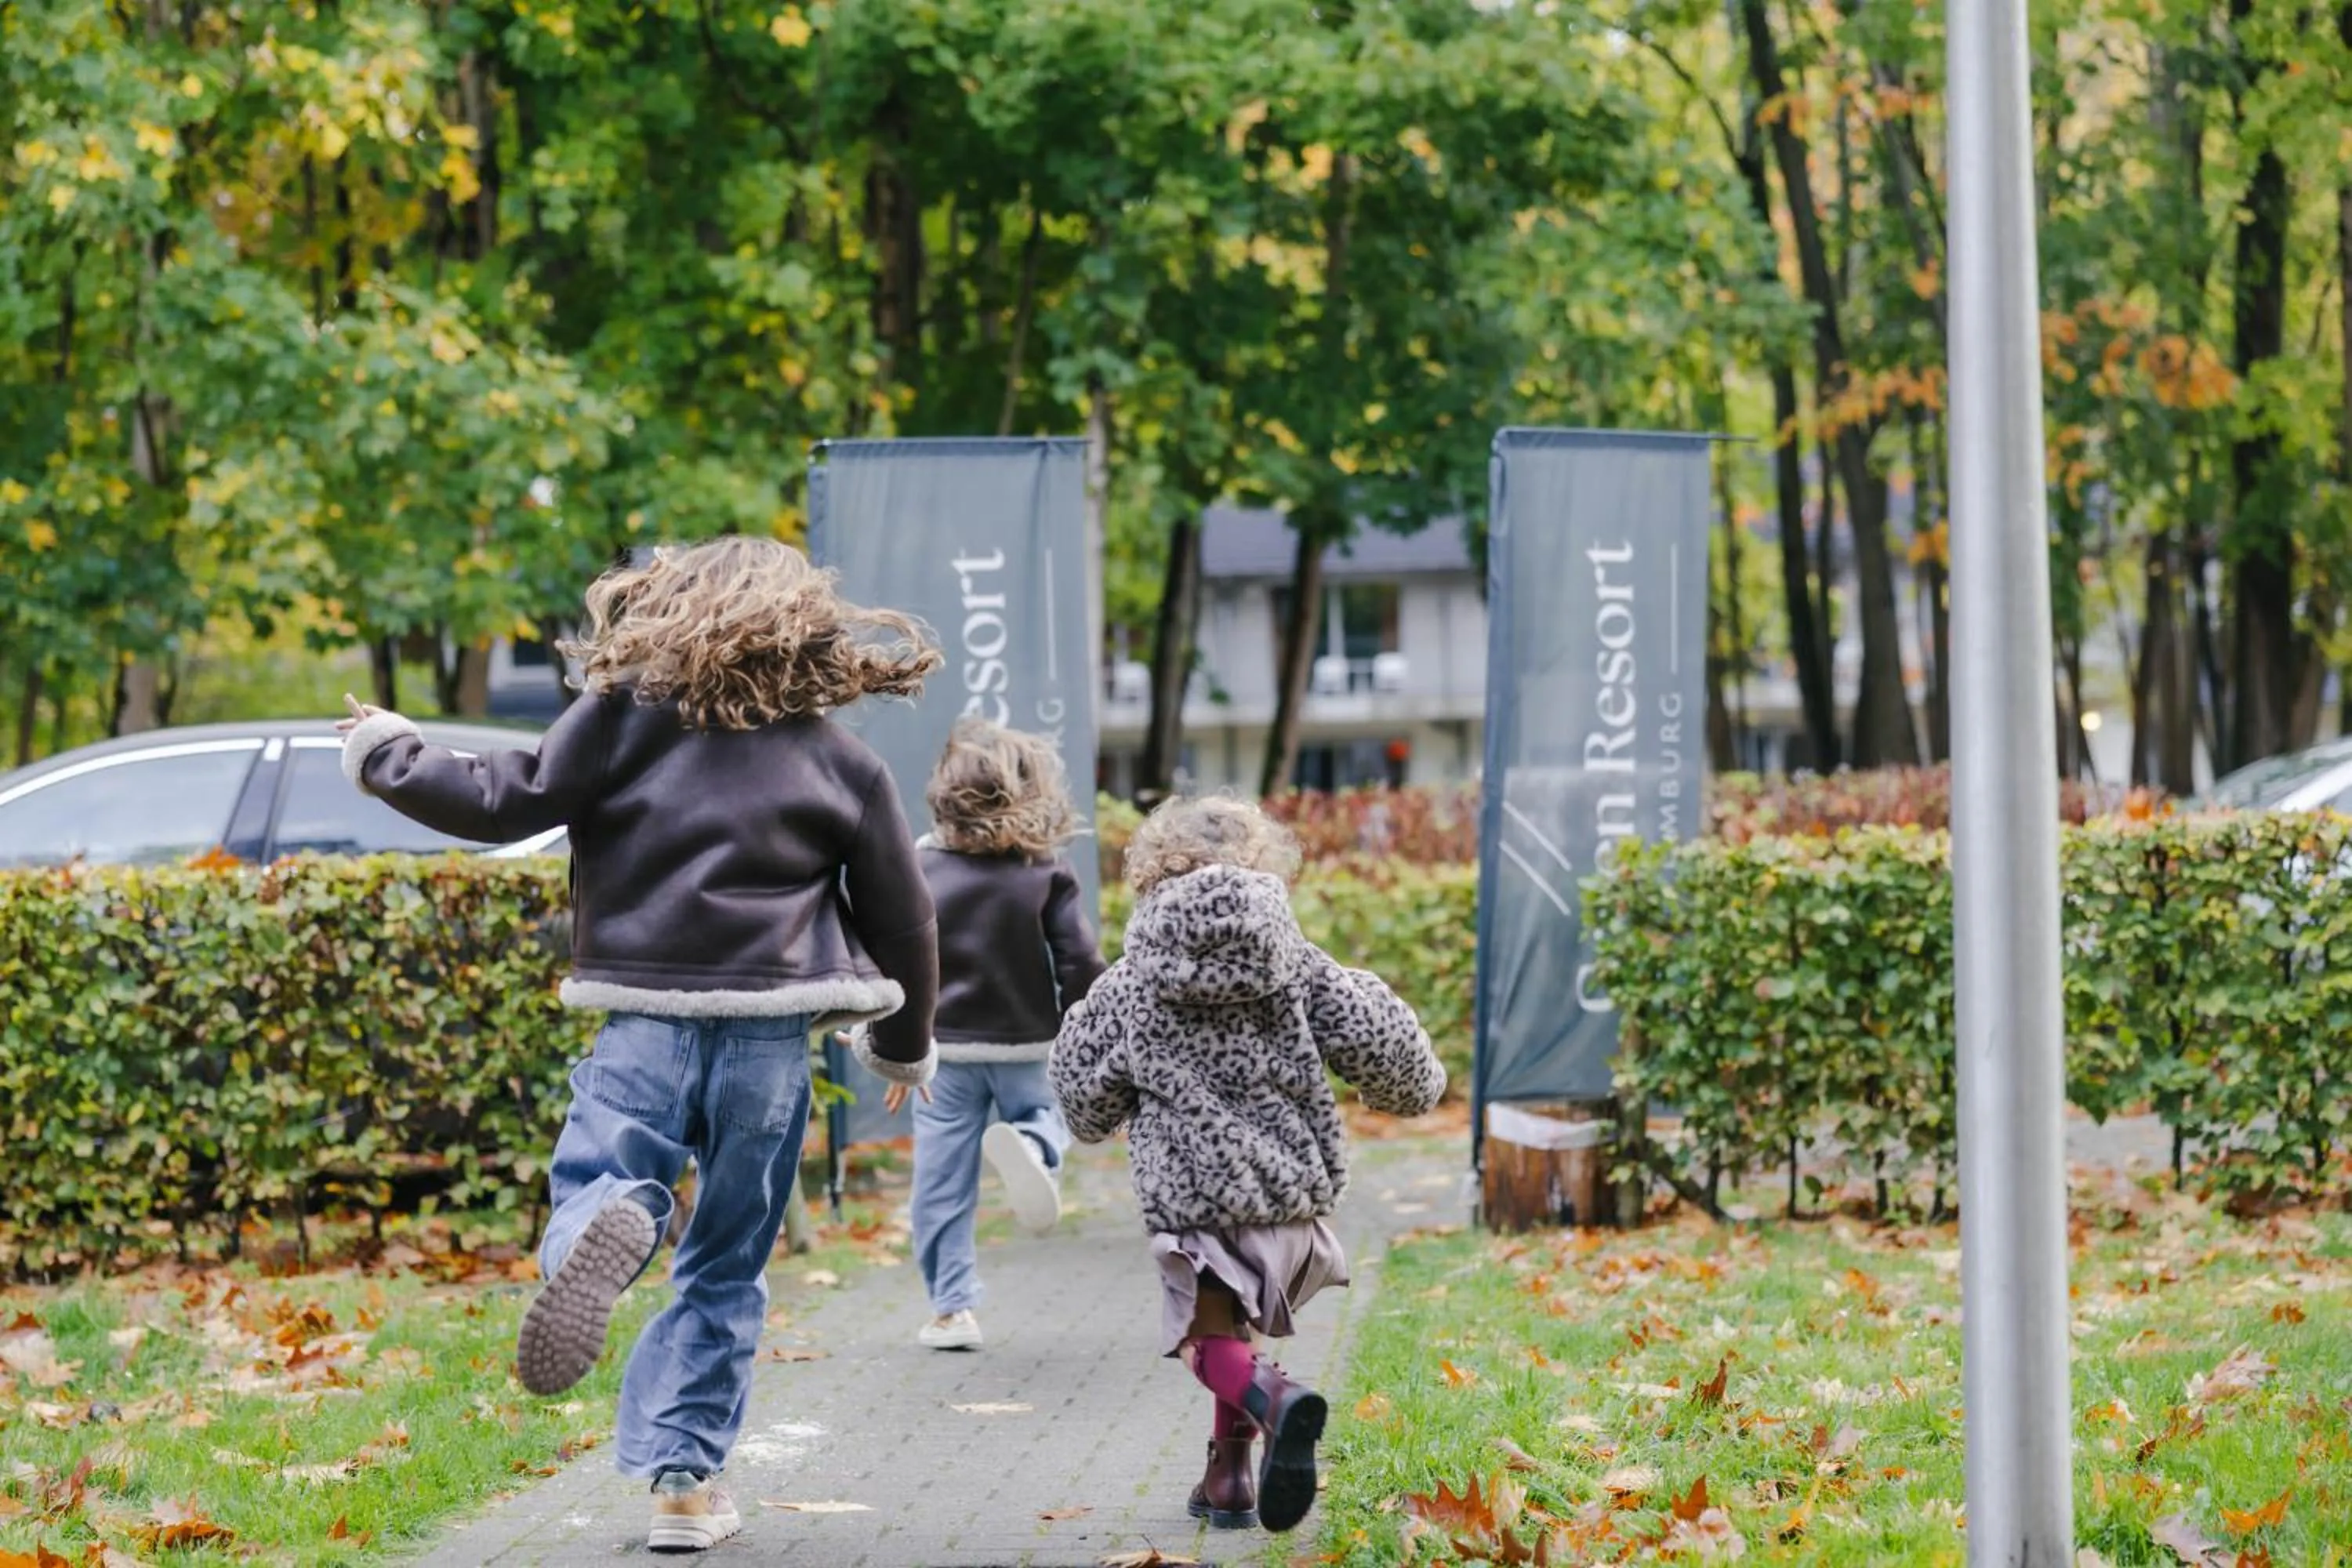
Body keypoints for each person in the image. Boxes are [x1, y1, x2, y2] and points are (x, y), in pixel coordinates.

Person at [336, 537, 941, 1555]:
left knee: (603, 1175)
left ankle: (602, 1232)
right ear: (801, 628)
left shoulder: (618, 720)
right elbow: (905, 913)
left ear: (669, 614)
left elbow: (503, 796)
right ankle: (684, 1485)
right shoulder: (840, 759)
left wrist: (389, 751)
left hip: (644, 1017)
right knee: (728, 1263)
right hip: (768, 1045)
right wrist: (906, 1039)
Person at [1049, 797, 1446, 1536]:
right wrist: (1418, 1087)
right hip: (1291, 1196)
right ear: (1263, 865)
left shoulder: (1133, 980)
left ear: (1153, 869)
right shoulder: (1296, 961)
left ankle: (1276, 1399)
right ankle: (1227, 1478)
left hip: (1192, 1202)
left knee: (1209, 1346)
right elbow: (1380, 1040)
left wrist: (1095, 1118)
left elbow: (1079, 1082)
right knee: (1235, 1329)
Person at [891, 718, 1105, 1352]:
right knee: (1049, 1112)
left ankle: (952, 1311)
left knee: (940, 1182)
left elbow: (894, 958)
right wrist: (1085, 1036)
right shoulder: (1045, 869)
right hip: (1028, 1042)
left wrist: (895, 1048)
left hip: (943, 1053)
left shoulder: (917, 864)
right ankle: (1035, 1147)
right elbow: (1079, 960)